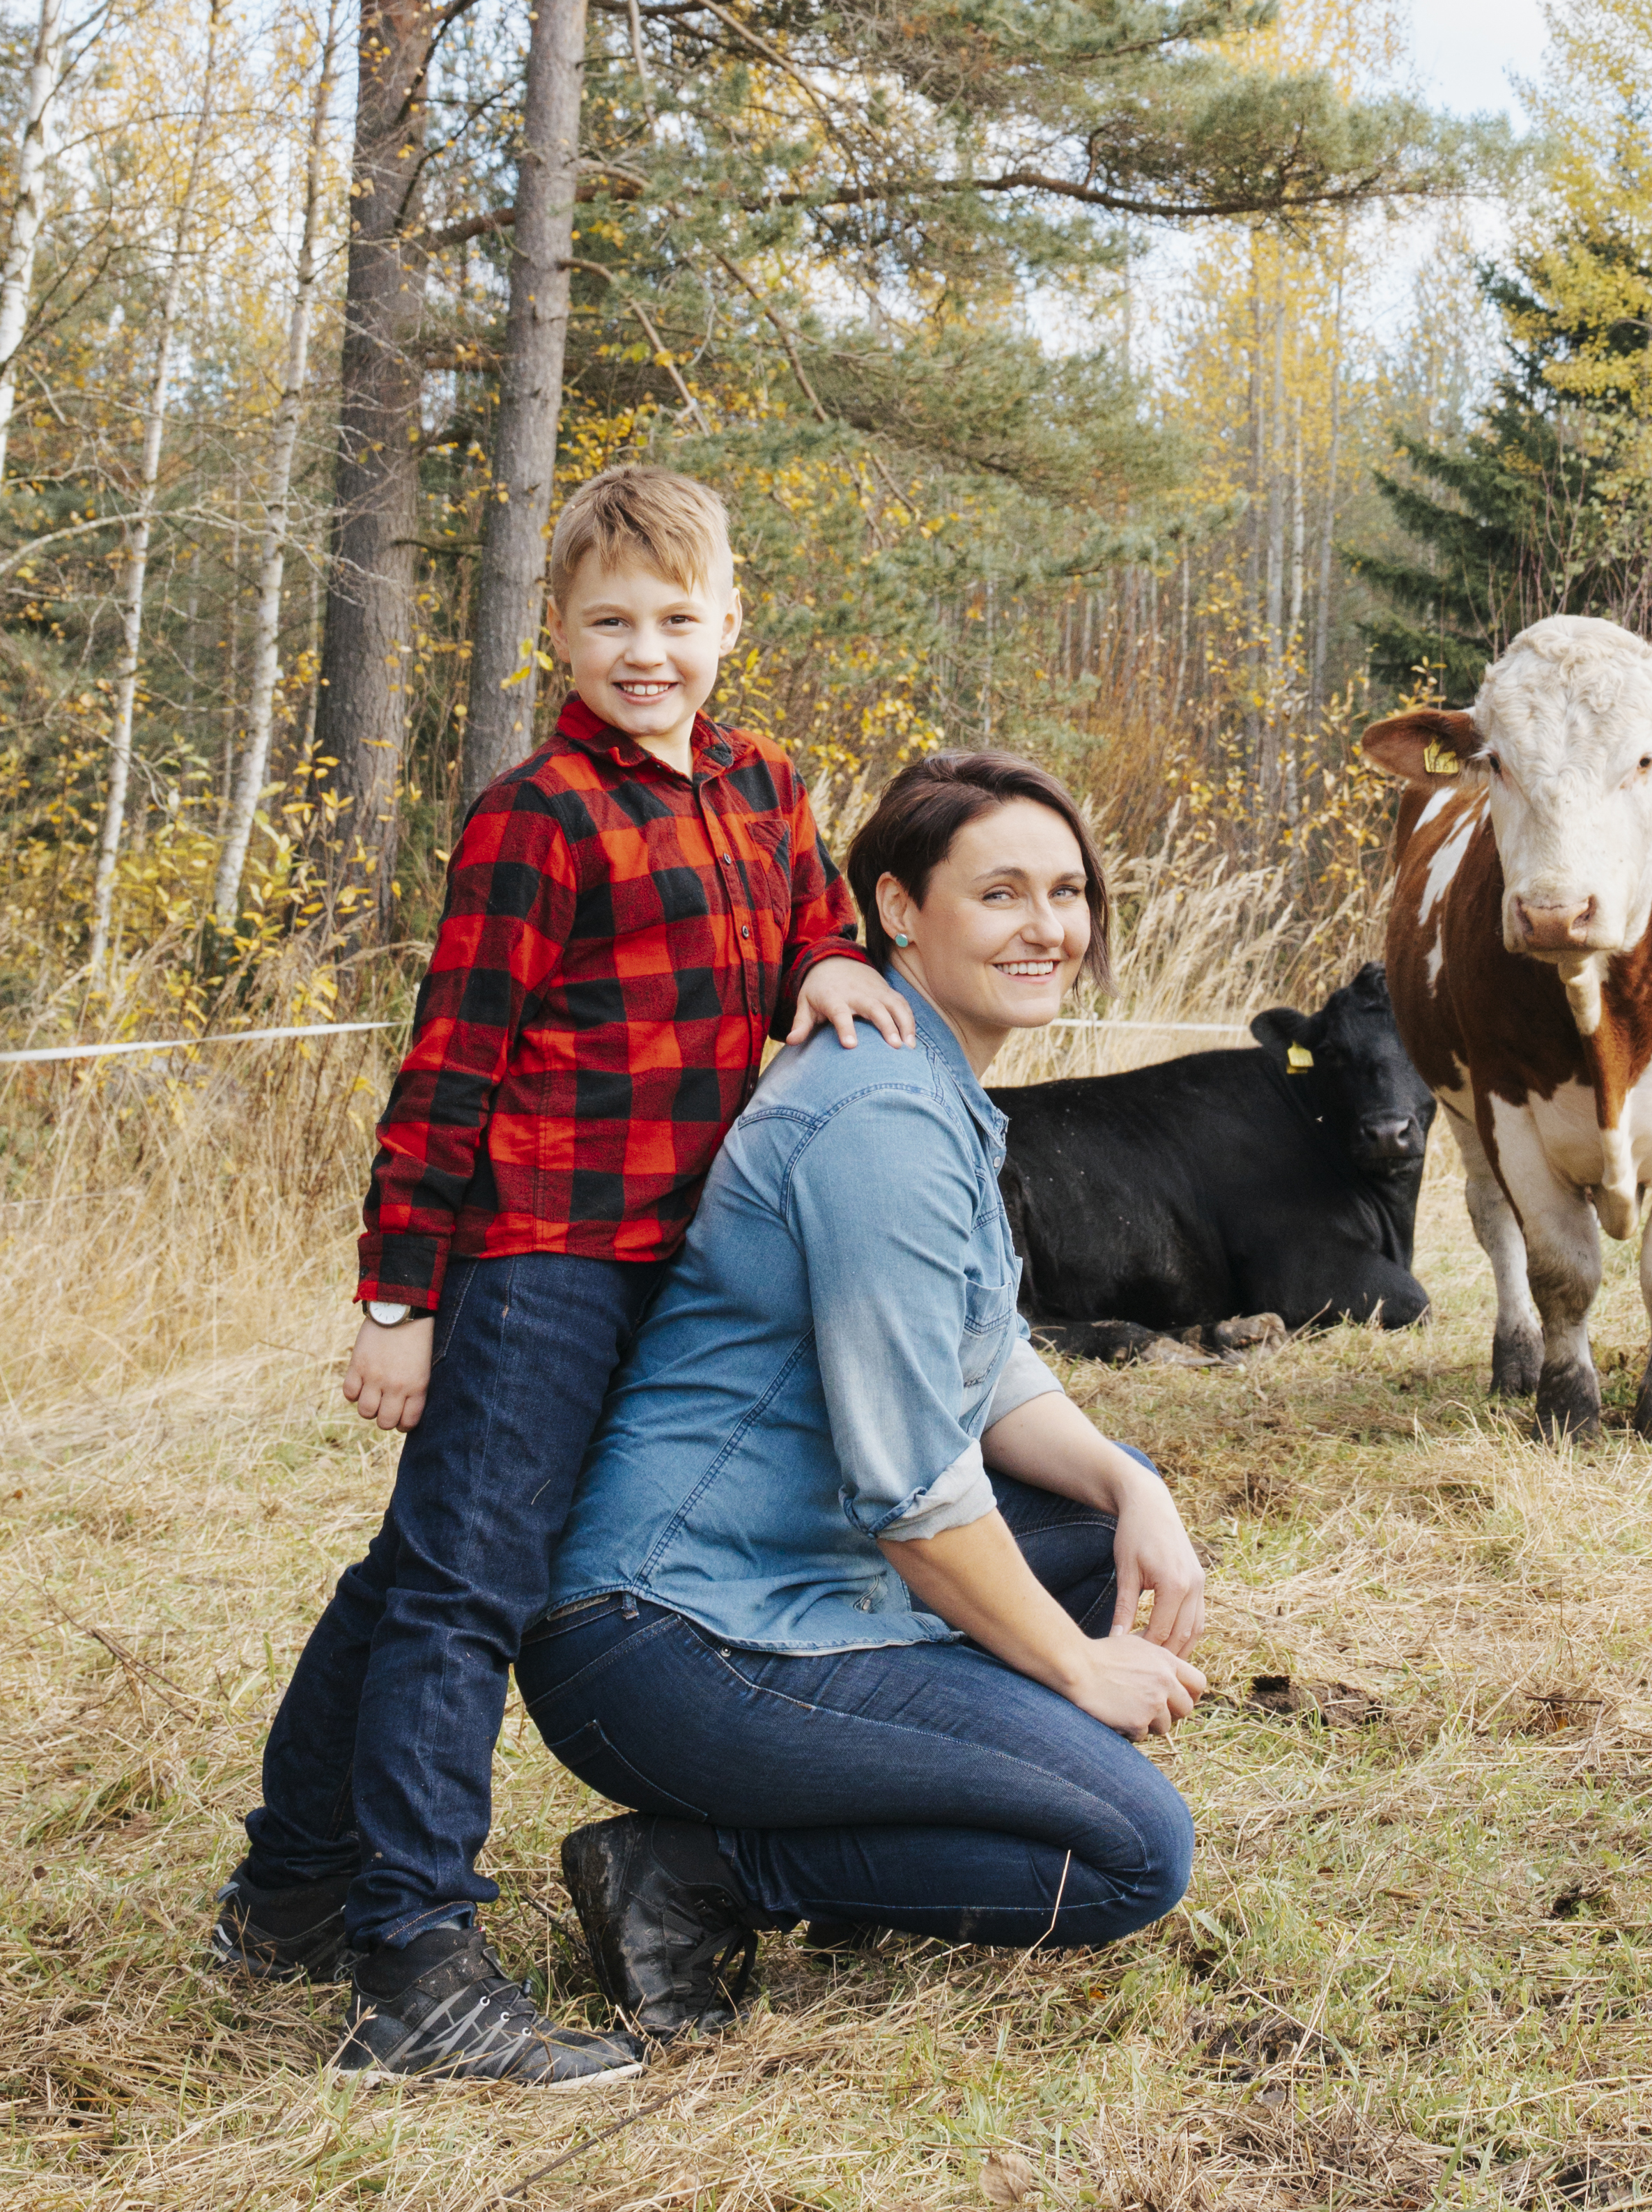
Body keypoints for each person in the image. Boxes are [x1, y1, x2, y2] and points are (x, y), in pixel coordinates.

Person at [215, 466, 915, 2089]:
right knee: (468, 1591)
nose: (647, 650)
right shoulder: (538, 813)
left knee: (418, 1571)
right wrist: (400, 1300)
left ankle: (291, 1889)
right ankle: (414, 1962)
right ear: (557, 632)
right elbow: (447, 1067)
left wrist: (824, 956)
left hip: (682, 1260)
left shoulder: (761, 783)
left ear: (731, 622)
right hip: (539, 1257)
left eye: (679, 619)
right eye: (611, 621)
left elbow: (815, 922)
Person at [516, 752, 1208, 2042]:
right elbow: (913, 1490)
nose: (1046, 927)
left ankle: (876, 1799)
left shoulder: (935, 1086)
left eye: (1066, 892)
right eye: (999, 893)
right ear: (898, 908)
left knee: (1091, 1540)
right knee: (1128, 1850)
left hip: (785, 1571)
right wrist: (1071, 1669)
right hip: (673, 1636)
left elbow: (984, 1360)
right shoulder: (879, 1115)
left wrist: (1131, 1480)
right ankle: (699, 1869)